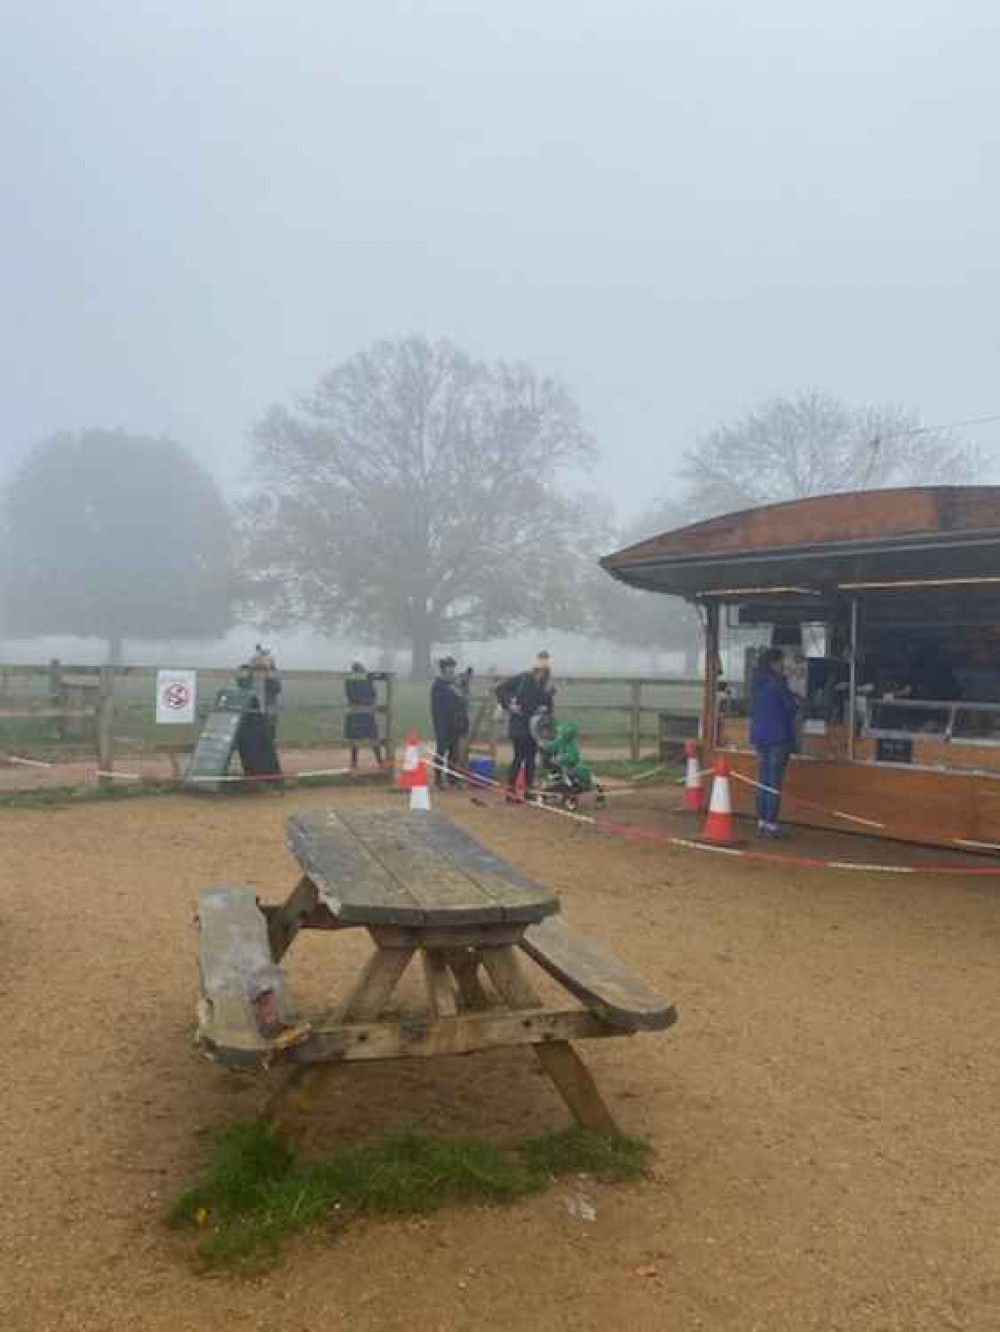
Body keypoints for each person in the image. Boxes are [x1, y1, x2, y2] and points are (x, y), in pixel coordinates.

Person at [750, 647, 799, 838]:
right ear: (773, 663)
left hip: (759, 737)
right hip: (778, 737)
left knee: (762, 781)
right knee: (774, 783)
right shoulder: (777, 683)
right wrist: (798, 703)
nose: (783, 665)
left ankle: (762, 821)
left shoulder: (756, 682)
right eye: (781, 662)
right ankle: (771, 824)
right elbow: (790, 708)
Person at [496, 657, 554, 798]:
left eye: (546, 672)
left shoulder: (545, 686)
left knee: (531, 758)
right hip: (519, 725)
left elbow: (548, 706)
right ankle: (511, 791)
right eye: (542, 672)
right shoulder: (522, 679)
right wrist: (509, 704)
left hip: (534, 727)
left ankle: (529, 790)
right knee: (519, 756)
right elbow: (500, 689)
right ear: (536, 670)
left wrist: (545, 709)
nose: (544, 675)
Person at [430, 657, 468, 789]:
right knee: (441, 750)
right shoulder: (438, 685)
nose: (451, 669)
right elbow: (439, 707)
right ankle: (438, 779)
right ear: (443, 669)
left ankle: (452, 779)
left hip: (455, 723)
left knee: (454, 752)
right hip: (442, 722)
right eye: (449, 667)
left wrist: (463, 683)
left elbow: (462, 701)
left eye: (453, 666)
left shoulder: (454, 684)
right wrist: (456, 686)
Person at [343, 661, 385, 770]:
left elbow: (350, 695)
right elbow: (374, 694)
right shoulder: (367, 679)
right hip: (366, 711)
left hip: (357, 711)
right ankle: (379, 761)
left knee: (355, 738)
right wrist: (369, 702)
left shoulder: (350, 680)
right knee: (373, 737)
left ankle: (354, 762)